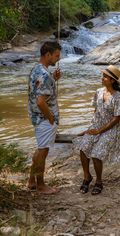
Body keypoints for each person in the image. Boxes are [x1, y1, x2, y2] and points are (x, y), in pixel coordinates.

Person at [73, 65, 120, 195]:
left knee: (97, 153)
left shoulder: (118, 97)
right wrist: (89, 129)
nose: (102, 78)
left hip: (111, 128)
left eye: (105, 77)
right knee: (83, 147)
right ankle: (87, 177)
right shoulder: (98, 92)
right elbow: (96, 111)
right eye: (103, 76)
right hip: (96, 126)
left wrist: (100, 131)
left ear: (112, 80)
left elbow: (116, 119)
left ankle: (99, 181)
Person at [28, 41, 61, 195]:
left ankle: (31, 181)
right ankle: (41, 185)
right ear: (48, 55)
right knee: (43, 151)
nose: (58, 59)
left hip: (36, 117)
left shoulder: (36, 69)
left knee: (40, 149)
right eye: (56, 55)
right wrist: (51, 118)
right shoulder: (44, 74)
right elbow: (41, 101)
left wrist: (53, 79)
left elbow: (39, 91)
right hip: (44, 119)